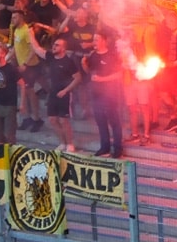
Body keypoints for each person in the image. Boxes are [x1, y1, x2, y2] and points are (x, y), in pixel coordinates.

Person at [82, 30, 123, 158]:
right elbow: (90, 73)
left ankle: (117, 149)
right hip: (96, 94)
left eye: (97, 39)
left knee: (114, 122)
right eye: (93, 39)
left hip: (110, 94)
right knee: (100, 122)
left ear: (104, 41)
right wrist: (83, 64)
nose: (94, 42)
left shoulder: (112, 55)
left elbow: (119, 74)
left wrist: (102, 79)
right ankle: (104, 147)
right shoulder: (93, 55)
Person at [44, 37, 80, 151]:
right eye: (54, 44)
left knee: (64, 120)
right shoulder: (50, 58)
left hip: (64, 94)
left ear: (64, 48)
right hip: (53, 93)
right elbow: (37, 49)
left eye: (57, 45)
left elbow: (78, 78)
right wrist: (30, 34)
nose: (54, 46)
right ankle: (62, 142)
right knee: (52, 120)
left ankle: (70, 143)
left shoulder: (68, 62)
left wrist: (66, 90)